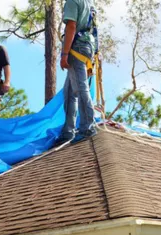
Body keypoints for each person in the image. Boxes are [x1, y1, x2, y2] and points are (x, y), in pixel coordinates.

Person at [55, 0, 98, 146]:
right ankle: (68, 131)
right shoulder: (88, 2)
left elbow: (71, 26)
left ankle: (87, 127)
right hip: (87, 47)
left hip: (77, 48)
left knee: (80, 88)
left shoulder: (73, 1)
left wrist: (64, 54)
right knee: (69, 92)